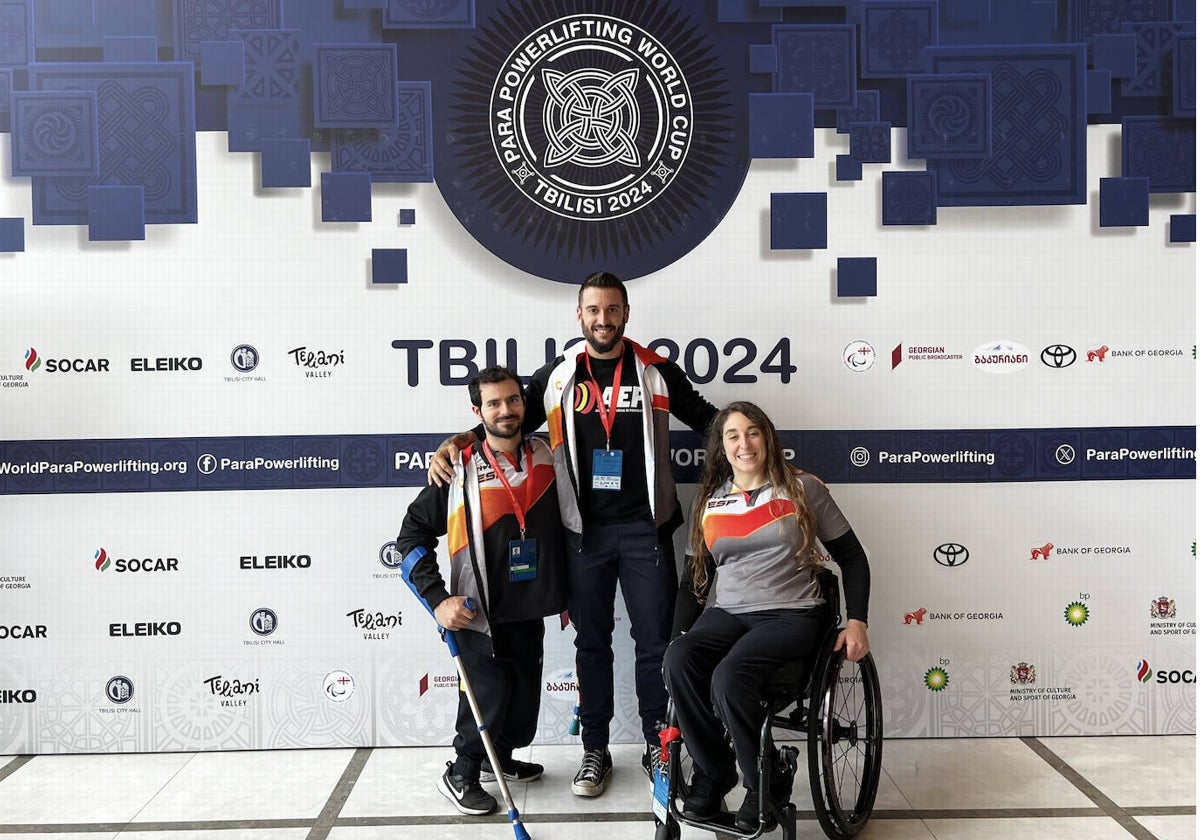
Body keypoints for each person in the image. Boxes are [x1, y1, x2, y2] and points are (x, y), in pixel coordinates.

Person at [429, 271, 718, 797]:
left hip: (643, 531)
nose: (602, 320)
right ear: (579, 316)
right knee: (592, 644)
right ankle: (595, 749)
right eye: (593, 310)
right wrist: (457, 441)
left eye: (612, 310)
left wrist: (765, 452)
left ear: (625, 314)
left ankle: (660, 742)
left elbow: (708, 420)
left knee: (656, 642)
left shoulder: (654, 371)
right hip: (583, 535)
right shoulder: (561, 374)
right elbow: (506, 420)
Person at [662, 401, 870, 831]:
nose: (744, 443)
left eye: (753, 432)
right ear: (721, 447)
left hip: (792, 613)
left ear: (768, 438)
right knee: (678, 660)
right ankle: (714, 773)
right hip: (729, 612)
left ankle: (766, 779)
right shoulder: (711, 500)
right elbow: (692, 582)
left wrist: (857, 621)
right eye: (733, 435)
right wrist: (678, 636)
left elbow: (852, 556)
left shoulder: (802, 488)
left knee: (729, 676)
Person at [397, 366, 569, 816]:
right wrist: (438, 601)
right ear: (478, 411)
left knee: (521, 697)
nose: (506, 410)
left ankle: (501, 758)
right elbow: (411, 538)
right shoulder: (457, 467)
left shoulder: (546, 453)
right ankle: (463, 771)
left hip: (530, 605)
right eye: (493, 403)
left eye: (513, 401)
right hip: (479, 611)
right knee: (485, 696)